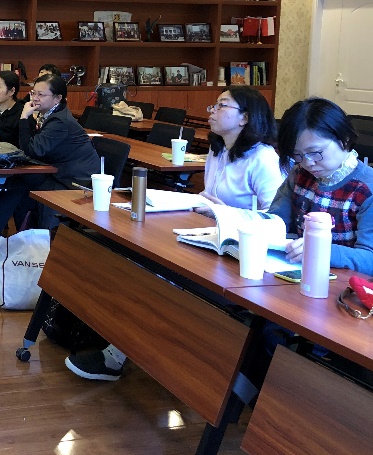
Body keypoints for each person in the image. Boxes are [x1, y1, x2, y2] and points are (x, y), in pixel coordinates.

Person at [66, 85, 287, 382]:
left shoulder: (264, 159)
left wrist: (223, 212)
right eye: (214, 105)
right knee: (133, 255)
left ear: (245, 118)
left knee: (158, 273)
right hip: (207, 237)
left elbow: (274, 221)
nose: (212, 111)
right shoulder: (218, 149)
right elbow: (208, 199)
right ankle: (105, 331)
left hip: (239, 254)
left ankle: (118, 356)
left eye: (222, 105)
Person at [0, 74, 99, 234]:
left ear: (57, 98)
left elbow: (32, 150)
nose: (35, 98)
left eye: (41, 94)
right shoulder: (49, 115)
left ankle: (3, 232)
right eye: (33, 93)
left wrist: (24, 117)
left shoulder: (60, 121)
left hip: (74, 181)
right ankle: (9, 233)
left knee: (19, 184)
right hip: (56, 171)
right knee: (16, 182)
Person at [269, 97, 373, 273]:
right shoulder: (299, 174)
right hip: (298, 273)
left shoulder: (366, 188)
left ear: (344, 139)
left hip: (343, 283)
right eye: (297, 155)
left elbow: (369, 259)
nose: (308, 163)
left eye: (315, 152)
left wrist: (320, 250)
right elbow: (277, 223)